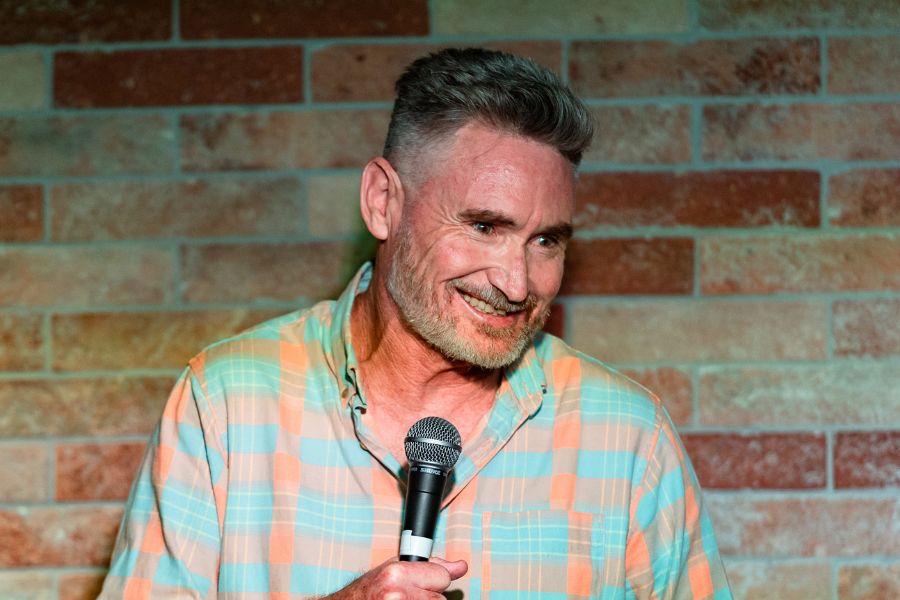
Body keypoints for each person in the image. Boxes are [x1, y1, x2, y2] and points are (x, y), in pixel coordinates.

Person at [100, 48, 732, 599]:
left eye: (547, 241)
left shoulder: (629, 439)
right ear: (383, 203)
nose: (516, 284)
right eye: (484, 227)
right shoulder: (227, 405)